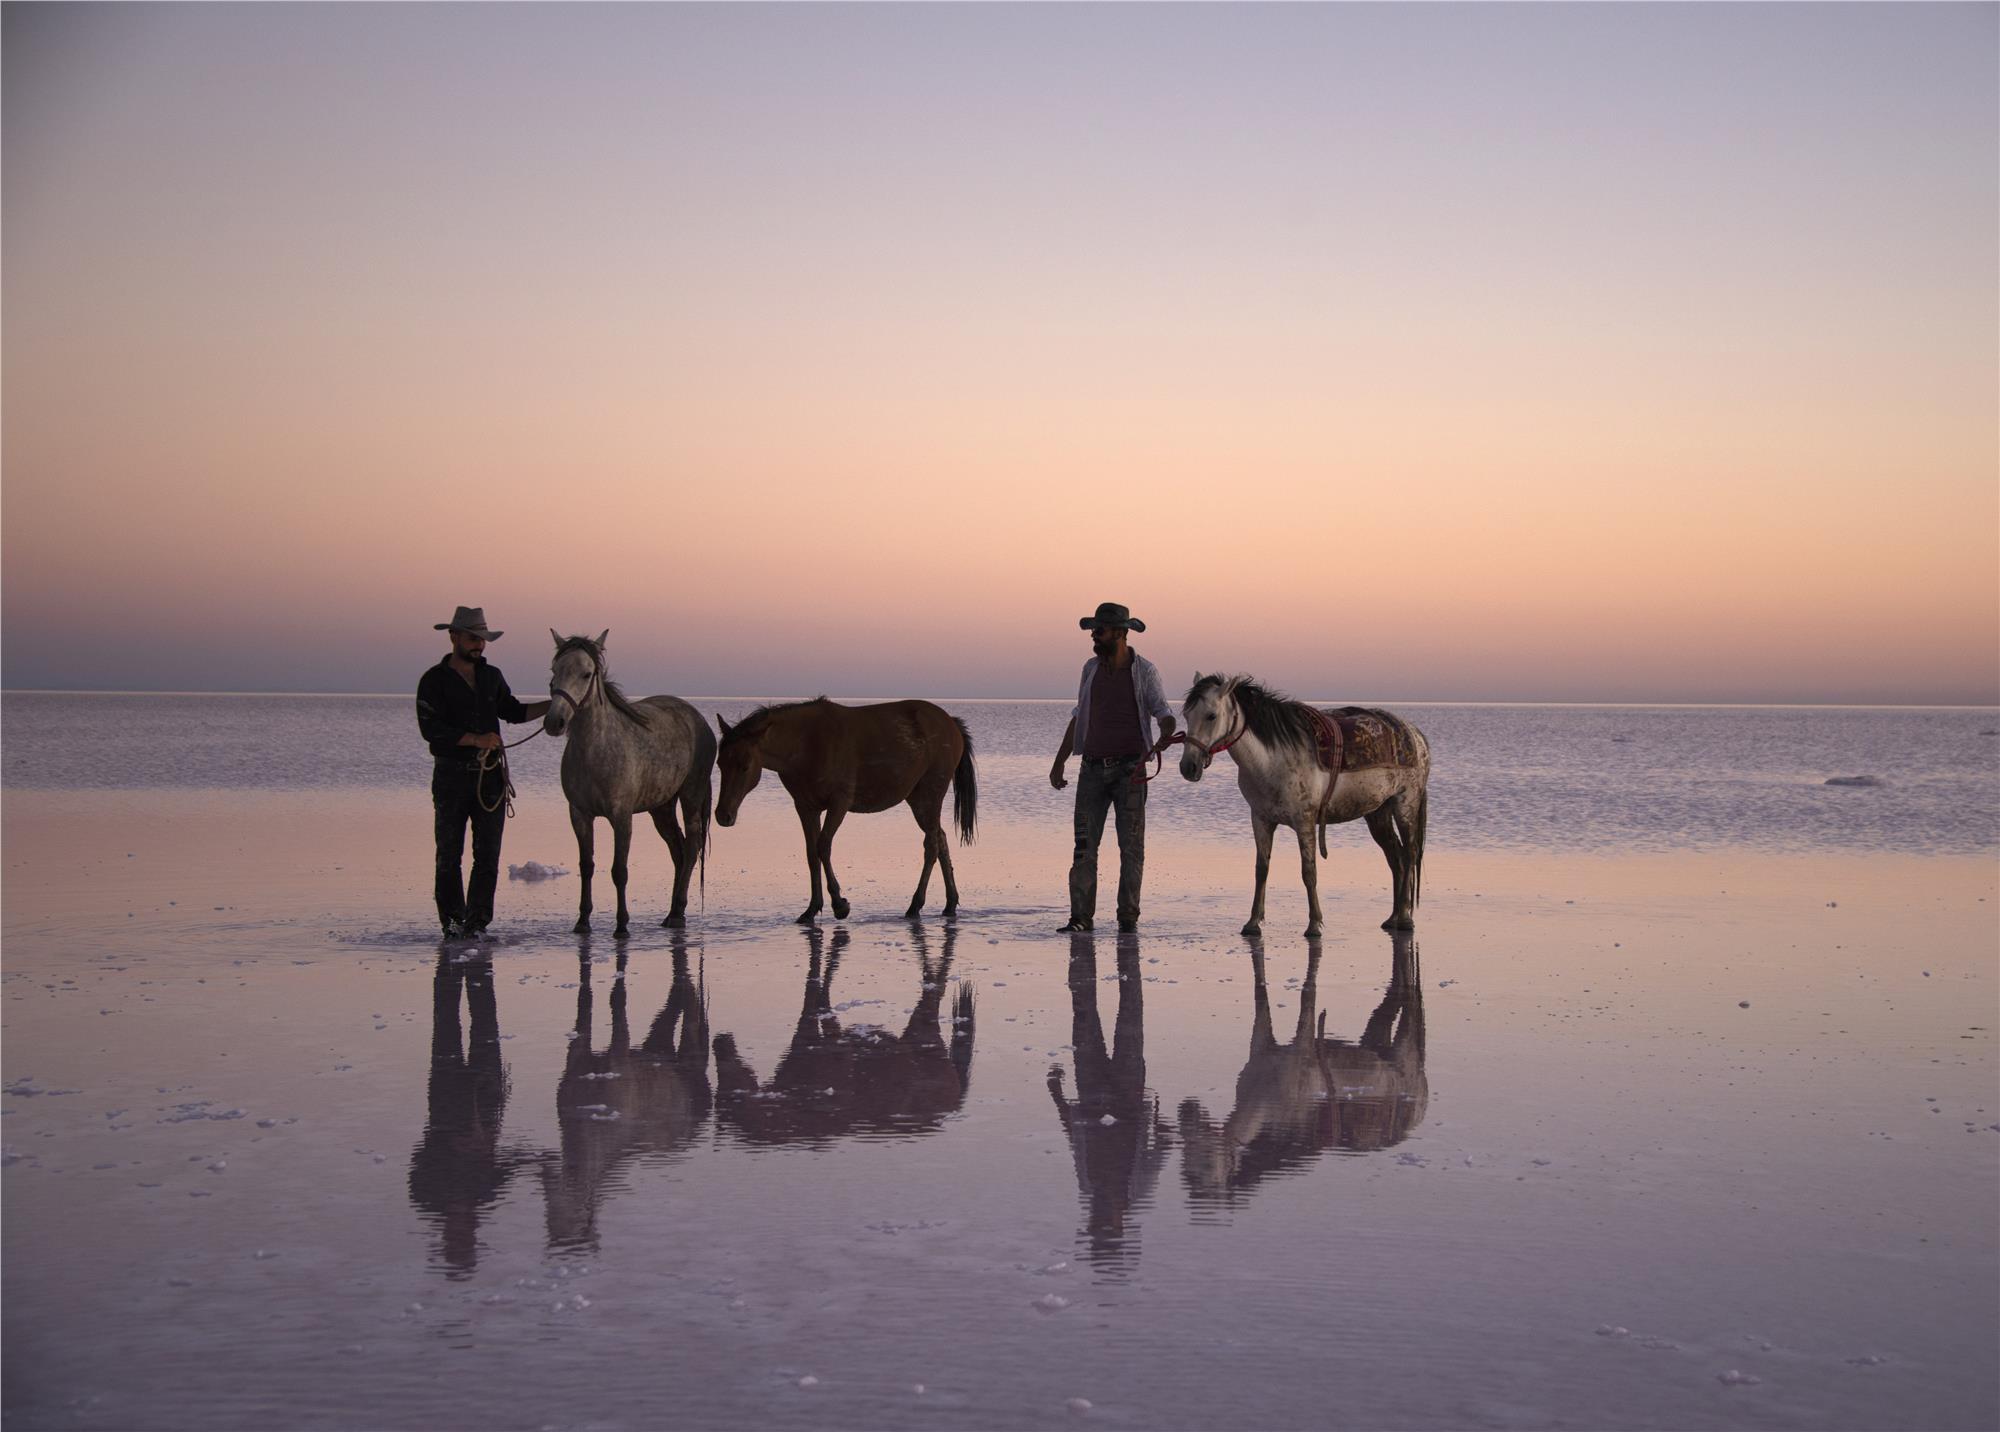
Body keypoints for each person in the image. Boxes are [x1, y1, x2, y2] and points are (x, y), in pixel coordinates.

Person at [415, 606, 549, 937]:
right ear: (454, 636)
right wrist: (477, 739)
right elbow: (431, 730)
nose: (479, 645)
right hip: (450, 777)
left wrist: (555, 705)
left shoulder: (492, 677)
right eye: (473, 638)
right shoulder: (433, 681)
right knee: (448, 855)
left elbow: (514, 712)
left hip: (490, 778)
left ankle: (476, 925)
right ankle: (452, 923)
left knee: (487, 856)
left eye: (483, 640)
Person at [1049, 602, 1177, 933]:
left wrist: (1165, 731)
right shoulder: (1090, 669)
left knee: (1131, 848)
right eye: (1094, 629)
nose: (1094, 635)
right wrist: (1060, 761)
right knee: (1083, 847)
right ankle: (1080, 919)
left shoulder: (1144, 671)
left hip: (1130, 771)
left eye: (1100, 630)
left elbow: (1162, 711)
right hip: (1091, 770)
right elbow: (1079, 716)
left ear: (1120, 634)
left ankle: (1128, 919)